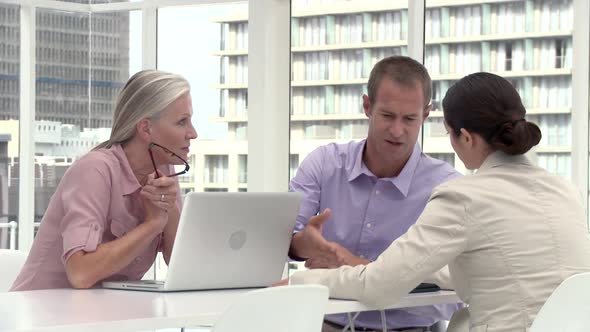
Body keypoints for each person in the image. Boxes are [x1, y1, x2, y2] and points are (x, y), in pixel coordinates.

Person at [288, 72, 590, 332]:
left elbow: (378, 288)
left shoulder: (464, 195)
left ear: (466, 137)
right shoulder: (565, 190)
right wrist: (376, 266)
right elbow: (472, 268)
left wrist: (304, 281)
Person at [288, 55, 462, 331]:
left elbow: (454, 289)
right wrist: (301, 245)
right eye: (387, 115)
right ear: (367, 106)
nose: (397, 130)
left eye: (409, 119)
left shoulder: (448, 187)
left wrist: (354, 267)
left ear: (426, 115)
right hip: (325, 325)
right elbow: (285, 242)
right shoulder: (324, 164)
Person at [11, 69, 198, 291]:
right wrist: (153, 224)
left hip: (104, 315)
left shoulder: (164, 170)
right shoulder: (95, 170)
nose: (193, 133)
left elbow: (181, 266)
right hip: (40, 316)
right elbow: (81, 273)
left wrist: (169, 211)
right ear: (146, 128)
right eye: (182, 122)